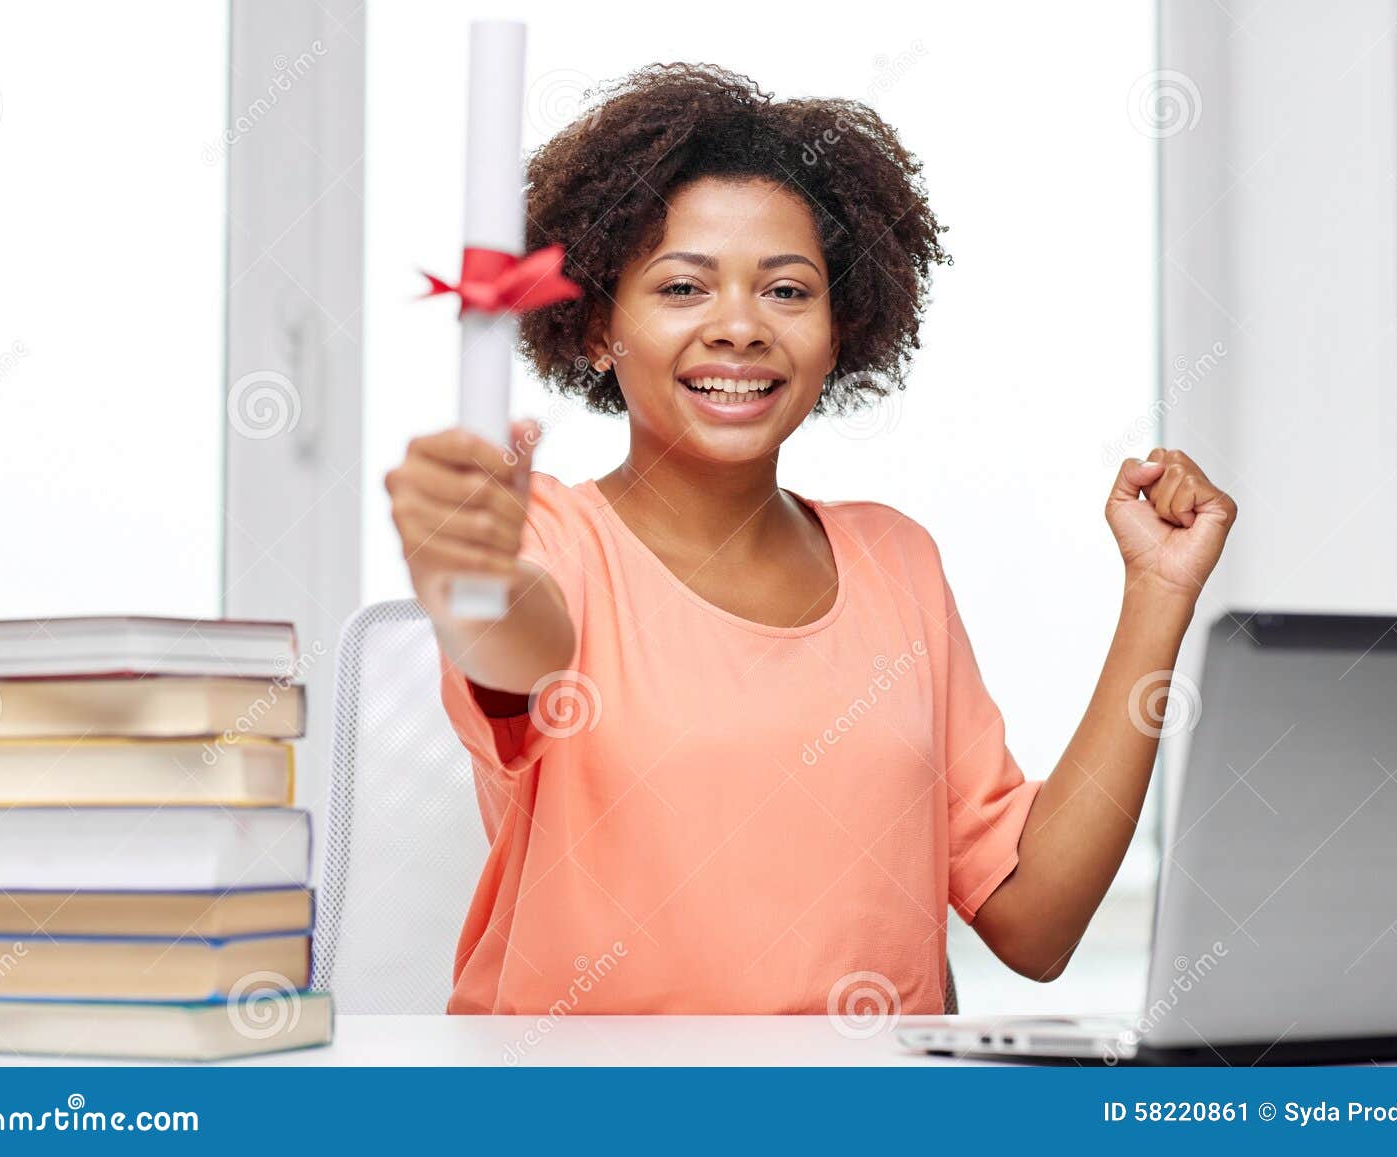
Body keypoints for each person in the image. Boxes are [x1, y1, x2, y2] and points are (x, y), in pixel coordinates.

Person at [385, 64, 1236, 1015]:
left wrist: (1160, 595)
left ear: (841, 332)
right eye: (682, 287)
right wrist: (474, 574)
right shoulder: (550, 539)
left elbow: (1035, 923)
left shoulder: (896, 561)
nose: (741, 327)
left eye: (787, 291)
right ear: (595, 329)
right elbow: (516, 643)